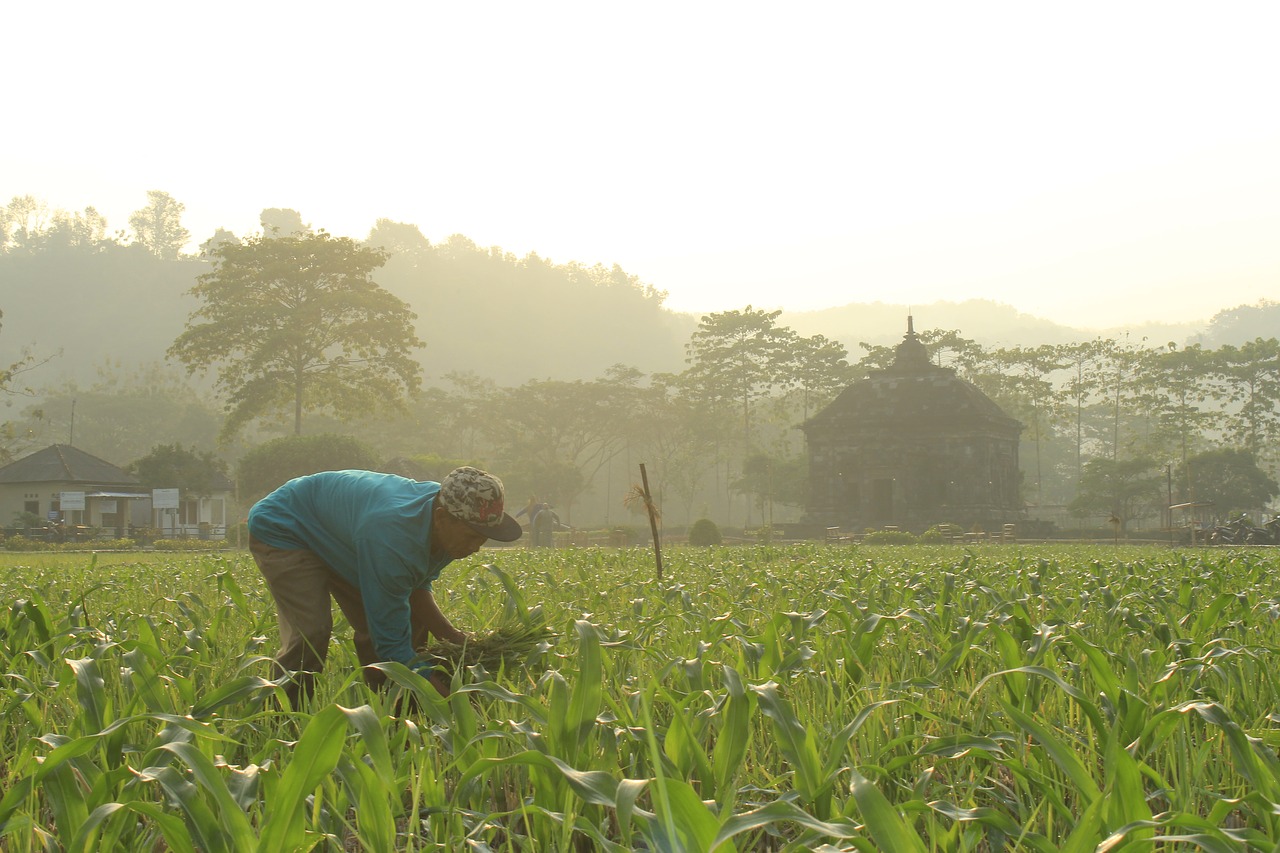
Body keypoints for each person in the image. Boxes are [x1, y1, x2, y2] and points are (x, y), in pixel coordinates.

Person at [247, 466, 523, 707]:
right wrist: (451, 703)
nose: (476, 547)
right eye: (472, 537)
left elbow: (414, 585)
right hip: (287, 524)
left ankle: (395, 711)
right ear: (441, 518)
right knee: (312, 631)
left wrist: (451, 635)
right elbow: (392, 645)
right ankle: (282, 715)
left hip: (345, 536)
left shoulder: (448, 525)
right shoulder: (392, 537)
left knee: (409, 623)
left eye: (484, 538)